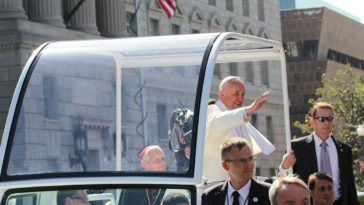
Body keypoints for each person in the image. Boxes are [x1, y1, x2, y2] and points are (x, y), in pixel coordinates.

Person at [279, 102, 358, 205]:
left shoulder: (344, 150)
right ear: (313, 121)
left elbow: (350, 188)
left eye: (329, 119)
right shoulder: (297, 148)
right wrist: (284, 167)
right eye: (322, 119)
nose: (326, 123)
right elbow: (284, 181)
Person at [203, 76, 275, 181]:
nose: (240, 99)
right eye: (236, 94)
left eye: (242, 94)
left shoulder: (241, 118)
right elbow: (218, 121)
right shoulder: (211, 111)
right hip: (218, 184)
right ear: (222, 93)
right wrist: (248, 110)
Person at [201, 137, 271, 205]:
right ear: (225, 165)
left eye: (250, 158)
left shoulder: (269, 194)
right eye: (242, 161)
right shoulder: (210, 196)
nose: (249, 165)